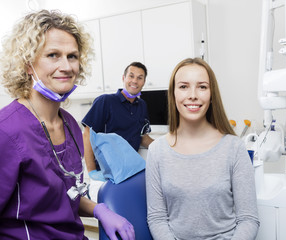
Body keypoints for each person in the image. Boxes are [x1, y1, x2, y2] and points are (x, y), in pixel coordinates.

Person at [0, 10, 135, 240]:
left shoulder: (71, 125)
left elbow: (67, 195)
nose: (67, 66)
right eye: (53, 55)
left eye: (72, 56)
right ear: (27, 65)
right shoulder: (7, 131)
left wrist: (98, 210)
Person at [146, 58, 260, 240]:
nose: (193, 95)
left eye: (202, 87)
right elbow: (157, 218)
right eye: (183, 86)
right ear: (173, 93)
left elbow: (248, 219)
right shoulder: (157, 151)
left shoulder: (234, 147)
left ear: (212, 94)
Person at [82, 62, 154, 181]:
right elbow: (87, 134)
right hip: (105, 172)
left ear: (144, 82)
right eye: (131, 76)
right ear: (123, 78)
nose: (135, 81)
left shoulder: (142, 105)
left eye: (139, 78)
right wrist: (92, 171)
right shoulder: (105, 101)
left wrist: (163, 146)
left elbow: (143, 137)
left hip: (130, 170)